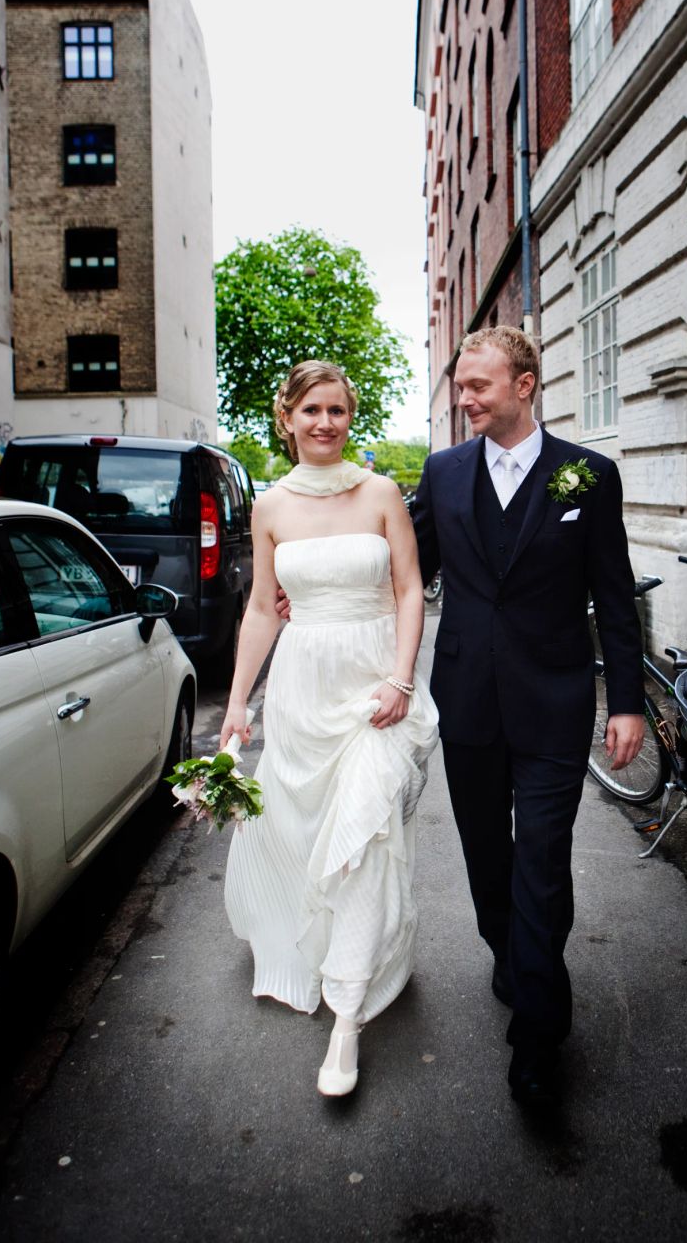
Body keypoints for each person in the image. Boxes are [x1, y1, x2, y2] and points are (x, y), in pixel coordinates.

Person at [410, 326, 644, 1107]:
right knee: (488, 857)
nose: (465, 399)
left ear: (525, 384)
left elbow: (613, 593)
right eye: (460, 388)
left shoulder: (586, 475)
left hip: (554, 703)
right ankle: (509, 956)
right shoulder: (442, 474)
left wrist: (631, 704)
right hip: (468, 698)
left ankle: (539, 1035)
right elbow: (406, 571)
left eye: (479, 386)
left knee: (542, 863)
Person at [220, 360, 438, 1098]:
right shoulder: (271, 506)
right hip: (302, 687)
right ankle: (329, 951)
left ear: (351, 418)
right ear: (287, 418)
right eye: (310, 409)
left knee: (366, 835)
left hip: (377, 685)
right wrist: (236, 705)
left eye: (336, 411)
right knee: (313, 838)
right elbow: (260, 609)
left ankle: (346, 1016)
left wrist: (401, 678)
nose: (324, 422)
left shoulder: (380, 493)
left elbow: (410, 589)